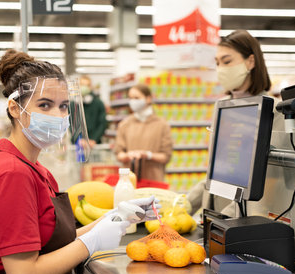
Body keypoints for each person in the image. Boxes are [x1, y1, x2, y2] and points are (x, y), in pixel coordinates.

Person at [0, 49, 159, 274]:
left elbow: (48, 240)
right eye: (45, 105)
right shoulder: (11, 175)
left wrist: (115, 217)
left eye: (63, 106)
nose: (58, 116)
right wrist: (91, 243)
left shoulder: (37, 169)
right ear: (14, 109)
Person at [188, 29, 282, 216]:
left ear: (251, 61)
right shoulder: (224, 108)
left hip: (245, 218)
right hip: (215, 212)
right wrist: (184, 204)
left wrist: (227, 218)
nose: (221, 68)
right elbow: (217, 169)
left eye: (227, 61)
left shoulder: (274, 111)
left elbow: (271, 179)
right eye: (217, 63)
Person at [114, 83, 173, 182]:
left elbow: (166, 156)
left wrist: (148, 155)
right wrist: (128, 155)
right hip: (129, 180)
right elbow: (119, 154)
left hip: (154, 179)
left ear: (148, 98)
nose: (133, 101)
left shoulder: (162, 125)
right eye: (131, 98)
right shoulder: (124, 124)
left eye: (137, 98)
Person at [78, 75, 108, 147]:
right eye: (82, 85)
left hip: (95, 144)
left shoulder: (99, 103)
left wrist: (94, 139)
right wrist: (78, 139)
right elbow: (72, 125)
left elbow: (102, 124)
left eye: (87, 85)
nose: (84, 87)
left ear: (91, 87)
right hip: (78, 145)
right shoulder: (73, 104)